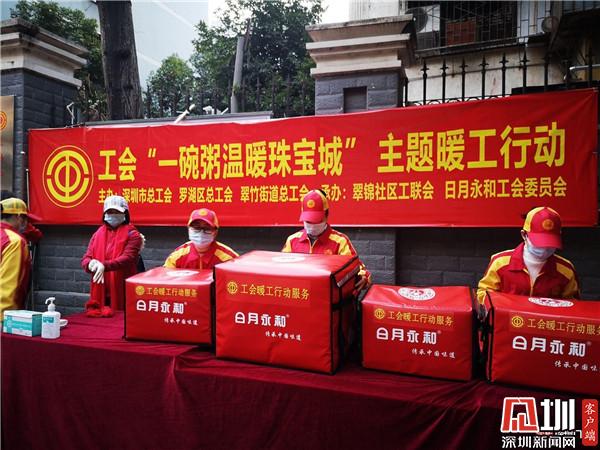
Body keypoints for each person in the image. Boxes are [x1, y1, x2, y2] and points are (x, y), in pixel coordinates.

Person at [477, 206, 580, 305]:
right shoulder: (500, 263)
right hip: (508, 316)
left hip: (546, 318)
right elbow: (484, 294)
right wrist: (507, 304)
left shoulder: (566, 270)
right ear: (524, 235)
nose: (544, 248)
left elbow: (573, 304)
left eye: (550, 243)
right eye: (539, 242)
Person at [282, 189, 371, 292]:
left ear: (326, 215)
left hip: (327, 296)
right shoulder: (292, 241)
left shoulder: (340, 242)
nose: (312, 224)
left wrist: (363, 277)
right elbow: (281, 269)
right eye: (308, 221)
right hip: (301, 294)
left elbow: (358, 269)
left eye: (317, 220)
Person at [81, 195, 143, 318]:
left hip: (123, 291)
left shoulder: (133, 235)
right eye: (110, 212)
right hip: (101, 290)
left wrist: (104, 265)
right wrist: (90, 264)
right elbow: (86, 257)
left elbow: (127, 258)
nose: (113, 215)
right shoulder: (97, 234)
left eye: (117, 212)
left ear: (125, 213)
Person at [164, 208, 238, 269]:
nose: (201, 233)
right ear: (188, 229)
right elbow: (165, 278)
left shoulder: (229, 259)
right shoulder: (177, 256)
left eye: (207, 228)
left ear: (215, 232)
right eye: (196, 227)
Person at [1, 198, 32, 319]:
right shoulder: (14, 241)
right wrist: (3, 318)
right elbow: (7, 286)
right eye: (24, 218)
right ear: (19, 217)